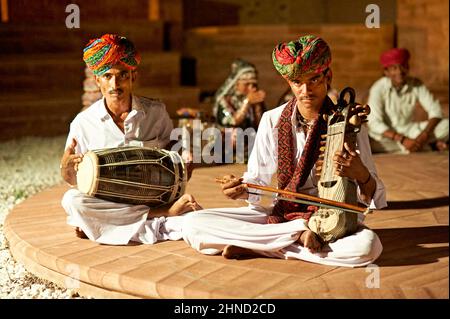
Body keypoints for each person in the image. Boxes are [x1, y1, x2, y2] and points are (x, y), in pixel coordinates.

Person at [181, 35, 387, 267]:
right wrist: (241, 189)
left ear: (328, 76)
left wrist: (361, 174)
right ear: (288, 82)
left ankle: (264, 246)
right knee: (193, 223)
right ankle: (297, 237)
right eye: (297, 82)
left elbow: (375, 197)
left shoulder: (349, 122)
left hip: (332, 219)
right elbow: (257, 186)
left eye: (314, 79)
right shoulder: (272, 120)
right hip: (283, 214)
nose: (305, 90)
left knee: (368, 248)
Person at [60, 34, 202, 245]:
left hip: (151, 195)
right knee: (72, 200)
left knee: (197, 220)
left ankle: (105, 225)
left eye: (122, 75)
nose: (115, 84)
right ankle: (162, 215)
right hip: (109, 200)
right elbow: (74, 181)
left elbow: (172, 153)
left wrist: (184, 158)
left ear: (133, 76)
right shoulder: (83, 123)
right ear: (97, 80)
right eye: (107, 76)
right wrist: (65, 167)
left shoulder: (156, 112)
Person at [367, 48, 449, 153]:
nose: (399, 71)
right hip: (387, 137)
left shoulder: (416, 84)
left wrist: (423, 136)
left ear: (408, 67)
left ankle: (416, 146)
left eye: (403, 66)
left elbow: (435, 111)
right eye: (394, 68)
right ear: (386, 72)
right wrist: (402, 139)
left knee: (446, 125)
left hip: (409, 131)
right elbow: (374, 123)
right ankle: (427, 146)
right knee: (370, 143)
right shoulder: (378, 88)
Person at [213, 59, 266, 130]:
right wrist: (247, 102)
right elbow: (232, 121)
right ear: (236, 84)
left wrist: (257, 106)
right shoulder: (225, 100)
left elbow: (261, 125)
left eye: (254, 84)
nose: (251, 87)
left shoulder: (255, 99)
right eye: (246, 84)